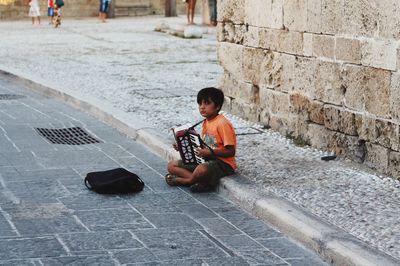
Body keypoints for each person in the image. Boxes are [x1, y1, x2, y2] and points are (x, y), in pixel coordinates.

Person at [166, 87, 237, 193]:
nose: (202, 107)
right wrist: (182, 147)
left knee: (201, 169)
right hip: (208, 159)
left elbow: (231, 151)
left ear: (217, 106)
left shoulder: (222, 124)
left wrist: (210, 152)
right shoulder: (206, 122)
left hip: (223, 163)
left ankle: (187, 181)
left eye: (207, 103)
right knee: (171, 165)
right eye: (200, 104)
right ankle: (199, 182)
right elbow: (203, 145)